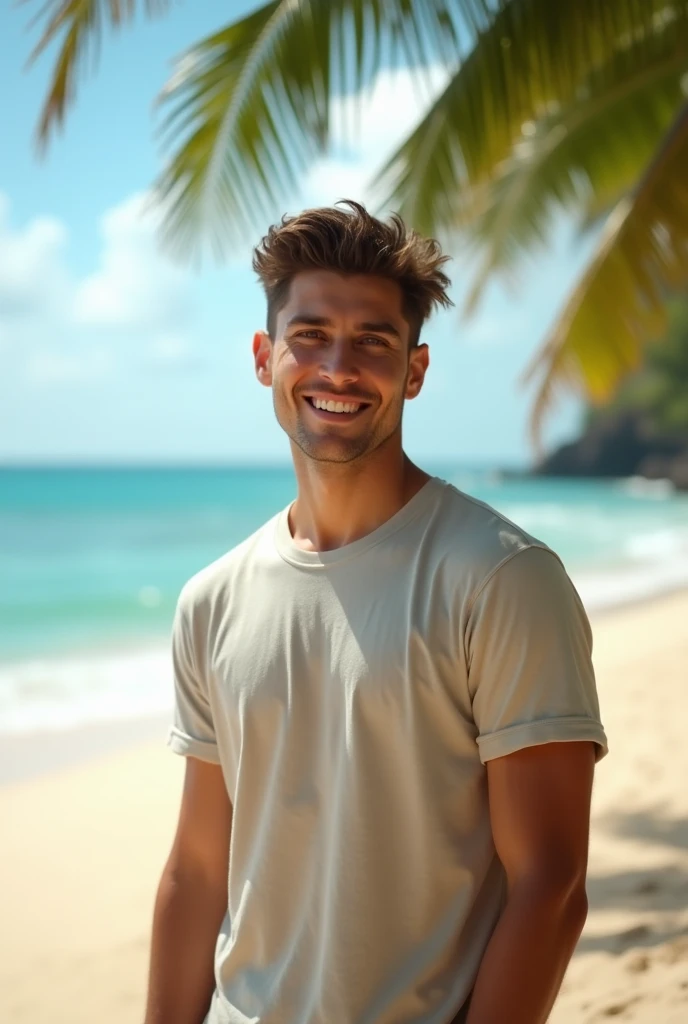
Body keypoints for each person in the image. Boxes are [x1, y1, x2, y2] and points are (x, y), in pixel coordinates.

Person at [143, 200, 608, 1024]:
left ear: (415, 371)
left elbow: (552, 885)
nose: (337, 367)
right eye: (310, 334)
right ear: (264, 356)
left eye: (373, 342)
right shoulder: (211, 600)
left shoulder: (503, 578)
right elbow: (197, 870)